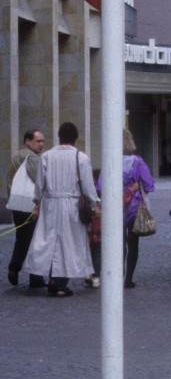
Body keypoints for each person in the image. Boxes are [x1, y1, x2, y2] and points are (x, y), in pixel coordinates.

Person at [24, 122, 100, 297]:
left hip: (50, 204)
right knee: (68, 243)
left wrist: (37, 202)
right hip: (71, 205)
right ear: (75, 138)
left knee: (50, 241)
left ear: (59, 137)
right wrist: (94, 204)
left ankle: (53, 279)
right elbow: (88, 186)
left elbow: (39, 184)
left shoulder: (47, 156)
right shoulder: (81, 157)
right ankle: (59, 283)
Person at [99, 129, 155, 289]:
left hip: (114, 207)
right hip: (133, 207)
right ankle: (128, 278)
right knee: (133, 244)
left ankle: (117, 274)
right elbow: (149, 184)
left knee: (118, 244)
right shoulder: (138, 162)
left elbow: (101, 185)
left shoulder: (110, 161)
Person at [7, 128, 45, 287]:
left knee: (22, 239)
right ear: (27, 141)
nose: (41, 144)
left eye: (42, 141)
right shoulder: (31, 157)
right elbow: (39, 181)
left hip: (17, 204)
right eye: (38, 141)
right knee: (36, 241)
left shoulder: (18, 156)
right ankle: (34, 277)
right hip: (31, 206)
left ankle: (16, 268)